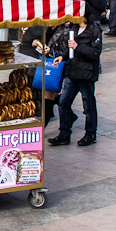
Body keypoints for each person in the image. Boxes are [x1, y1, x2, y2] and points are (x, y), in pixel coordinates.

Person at [48, 18, 103, 147]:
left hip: (86, 74)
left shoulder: (94, 30)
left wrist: (78, 47)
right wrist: (63, 56)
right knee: (63, 103)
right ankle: (64, 133)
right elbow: (70, 47)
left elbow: (95, 53)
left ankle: (90, 134)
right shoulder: (74, 28)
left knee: (88, 105)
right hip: (72, 72)